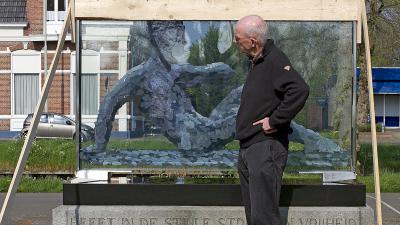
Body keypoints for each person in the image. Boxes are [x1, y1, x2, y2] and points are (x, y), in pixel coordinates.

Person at [234, 15, 309, 225]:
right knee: (255, 217)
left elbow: (300, 90)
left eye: (238, 37)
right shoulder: (257, 62)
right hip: (250, 146)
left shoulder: (275, 60)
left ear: (253, 41)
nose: (235, 41)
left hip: (265, 148)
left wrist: (274, 121)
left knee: (264, 217)